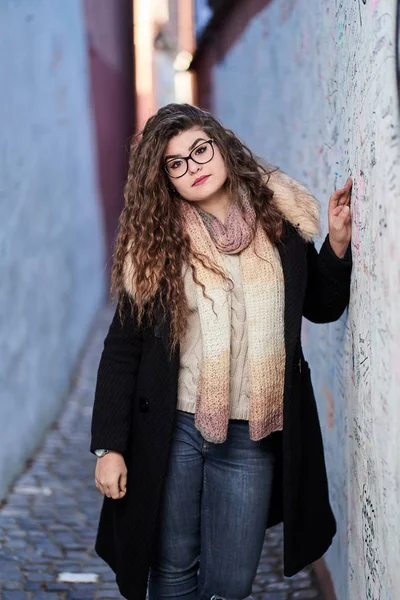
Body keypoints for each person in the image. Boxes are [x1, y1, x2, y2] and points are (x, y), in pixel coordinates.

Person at [90, 103, 352, 600]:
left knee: (231, 584)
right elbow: (122, 349)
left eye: (199, 150)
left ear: (220, 144)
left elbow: (318, 306)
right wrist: (109, 447)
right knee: (171, 572)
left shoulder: (280, 221)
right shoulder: (156, 244)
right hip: (174, 429)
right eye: (176, 163)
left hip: (253, 431)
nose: (194, 167)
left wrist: (336, 246)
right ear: (165, 178)